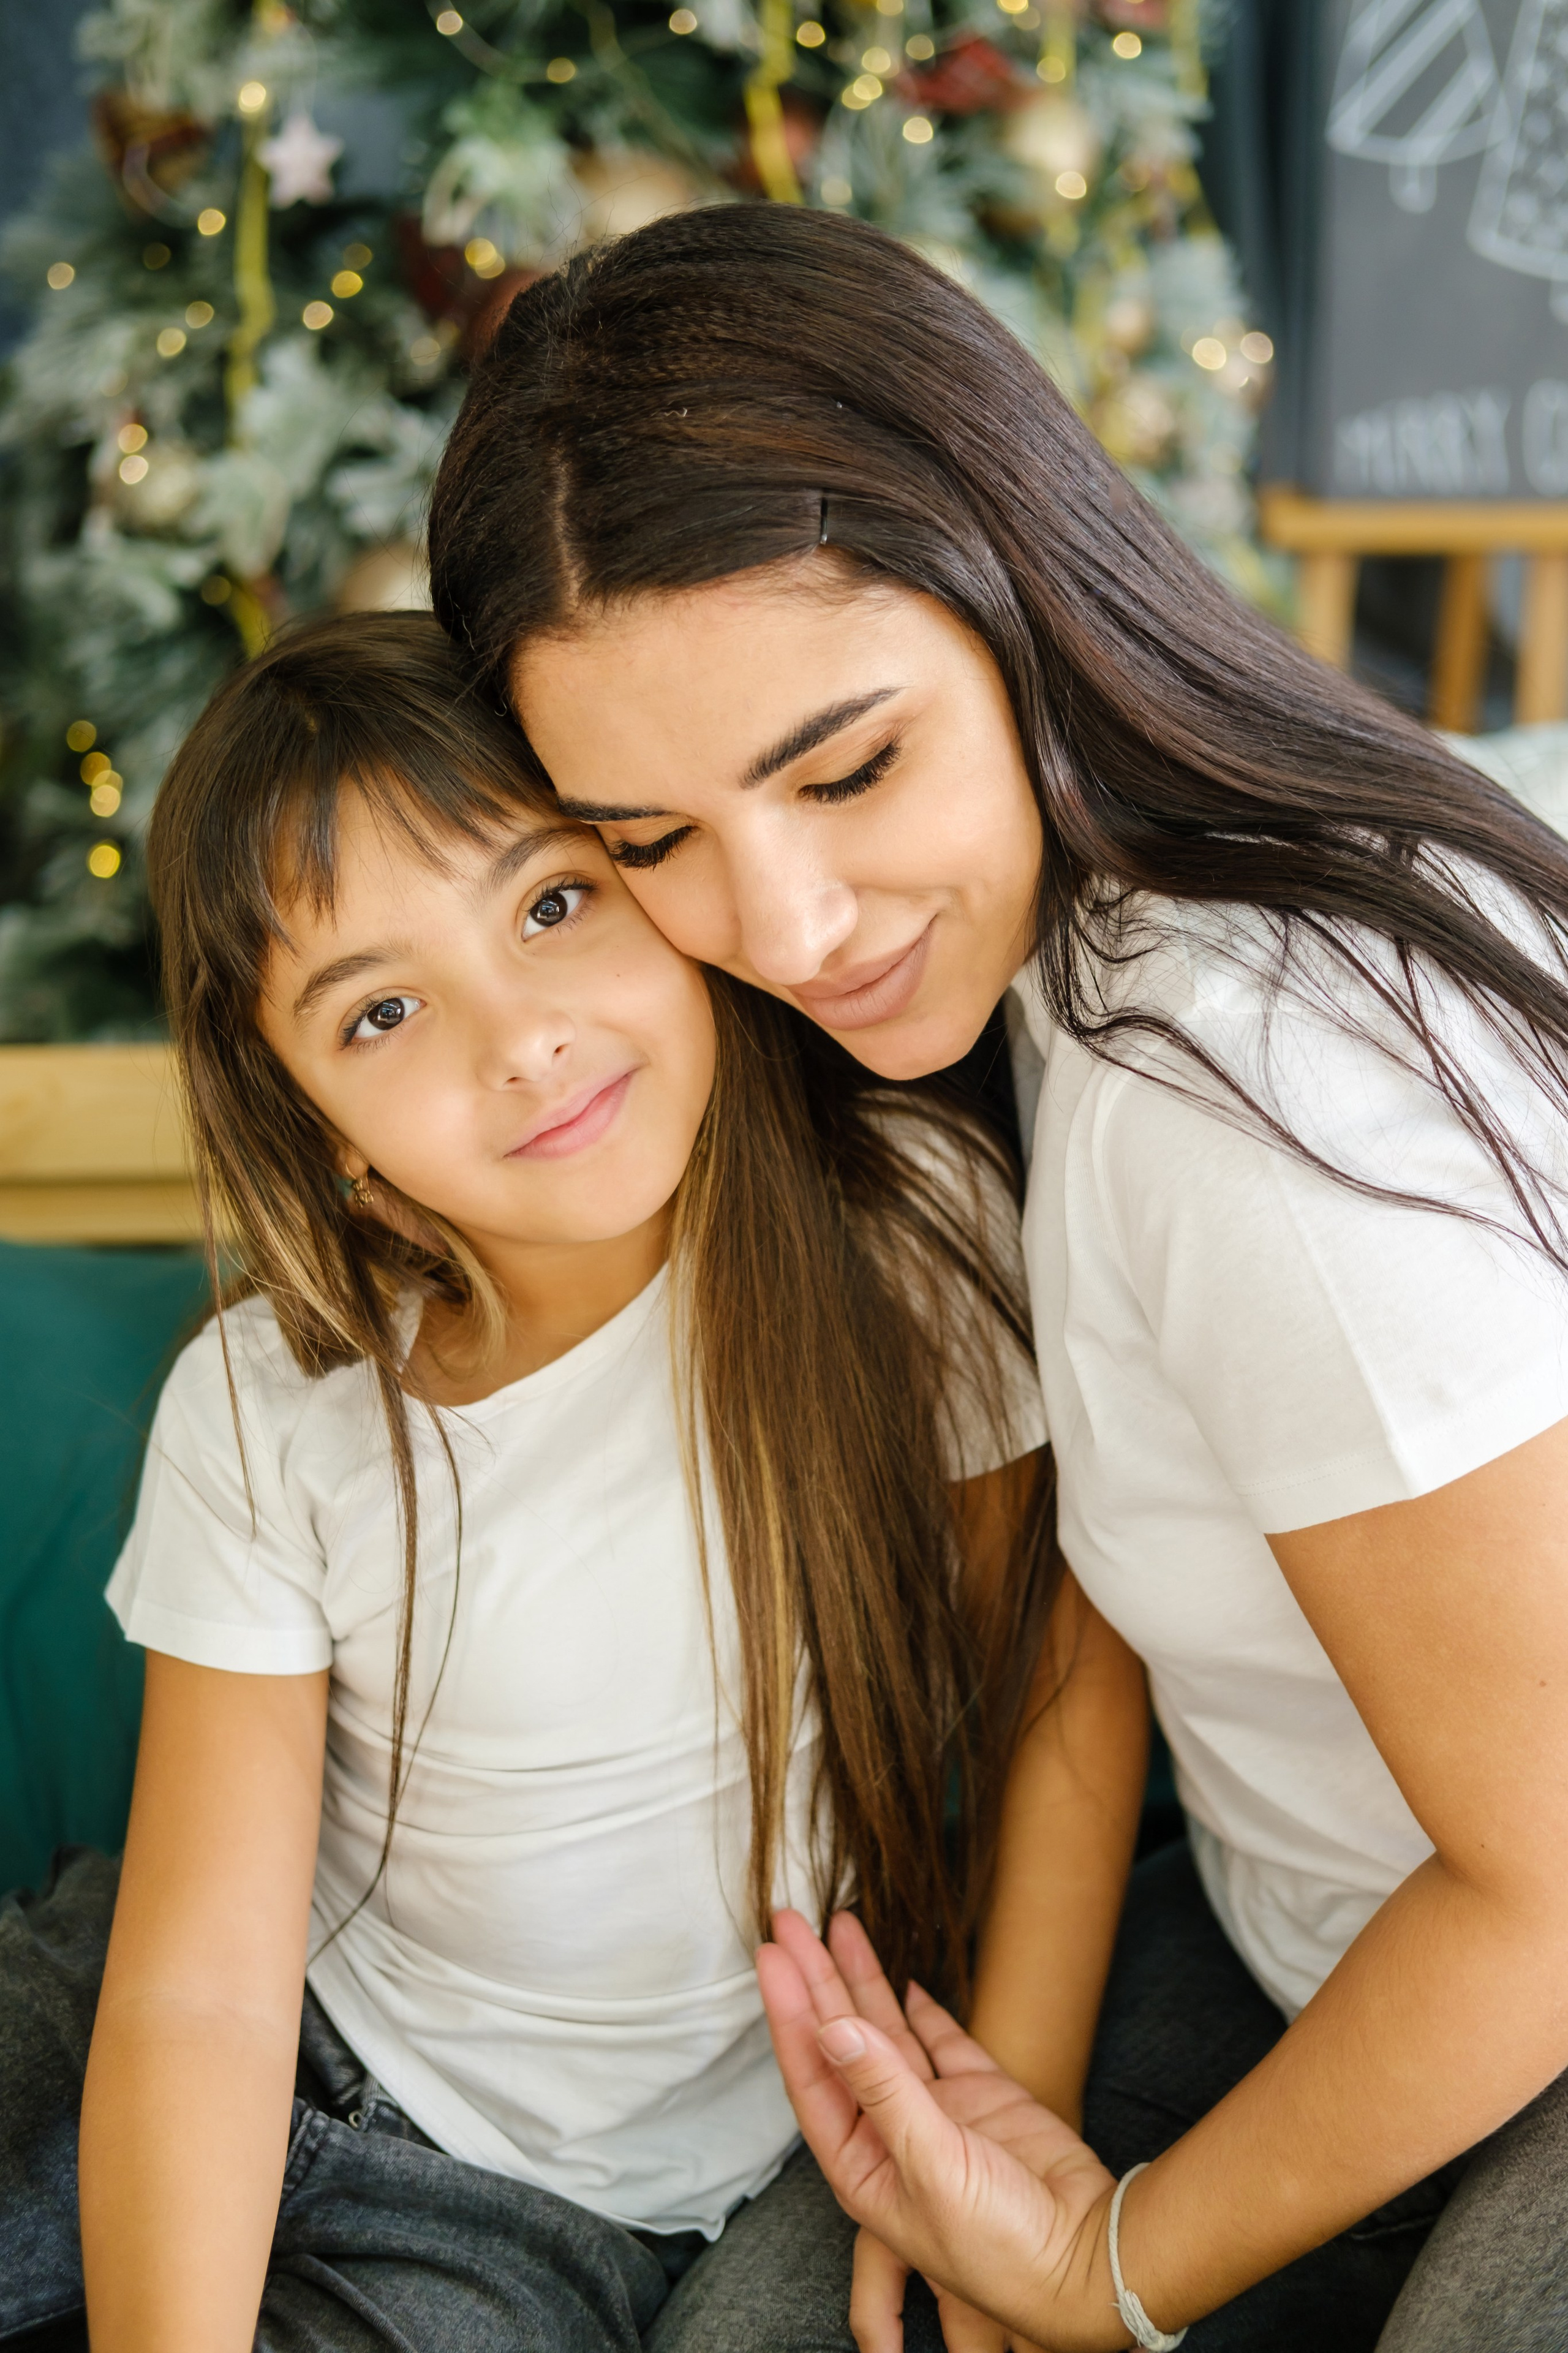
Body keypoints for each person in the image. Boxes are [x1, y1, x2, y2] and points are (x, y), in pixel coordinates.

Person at [424, 203, 1568, 2351]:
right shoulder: (1039, 987)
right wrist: (1009, 2110)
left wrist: (1098, 2265)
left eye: (844, 768)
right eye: (649, 841)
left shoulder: (1259, 1097)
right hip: (1300, 1922)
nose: (783, 923)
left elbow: (1550, 1881)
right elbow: (1095, 1619)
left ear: (1029, 588)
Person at [0, 612, 1056, 2350]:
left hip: (545, 2208)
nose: (522, 1037)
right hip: (221, 2006)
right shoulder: (276, 1407)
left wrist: (1012, 2097)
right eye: (385, 1010)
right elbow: (198, 1987)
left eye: (554, 902)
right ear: (320, 1123)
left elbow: (1051, 1701)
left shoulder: (907, 1245)